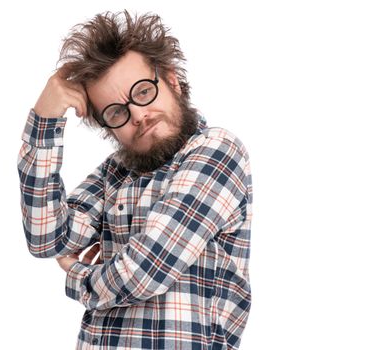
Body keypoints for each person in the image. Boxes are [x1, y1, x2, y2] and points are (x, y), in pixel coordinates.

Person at [17, 10, 253, 350]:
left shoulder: (217, 150)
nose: (138, 116)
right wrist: (45, 119)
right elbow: (46, 237)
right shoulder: (115, 172)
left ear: (171, 81)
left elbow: (148, 269)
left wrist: (79, 278)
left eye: (143, 92)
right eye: (116, 112)